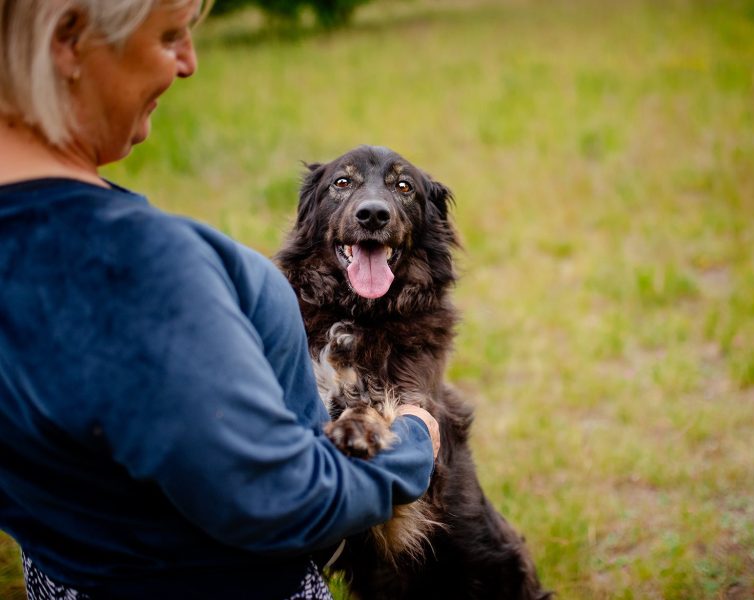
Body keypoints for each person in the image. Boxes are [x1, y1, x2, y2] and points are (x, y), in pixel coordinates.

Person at [0, 1, 441, 599]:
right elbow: (279, 499)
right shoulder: (140, 263)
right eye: (169, 36)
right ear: (68, 41)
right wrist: (412, 446)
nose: (189, 62)